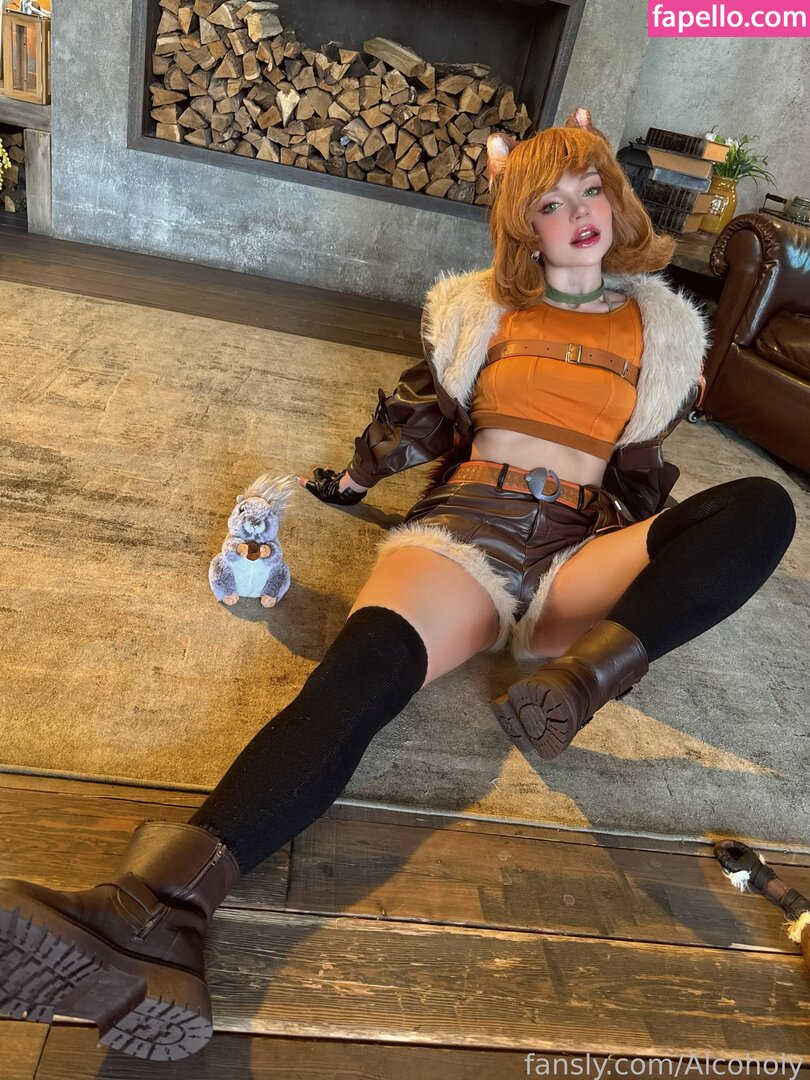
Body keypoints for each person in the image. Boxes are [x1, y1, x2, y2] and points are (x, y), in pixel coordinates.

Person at [0, 110, 796, 1061]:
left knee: (760, 507)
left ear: (617, 201)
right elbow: (419, 412)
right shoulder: (480, 308)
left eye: (590, 190)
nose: (578, 212)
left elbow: (644, 475)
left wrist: (660, 581)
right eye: (549, 203)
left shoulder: (663, 329)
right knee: (357, 681)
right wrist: (351, 481)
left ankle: (581, 682)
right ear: (522, 226)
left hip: (576, 555)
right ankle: (154, 914)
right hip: (467, 532)